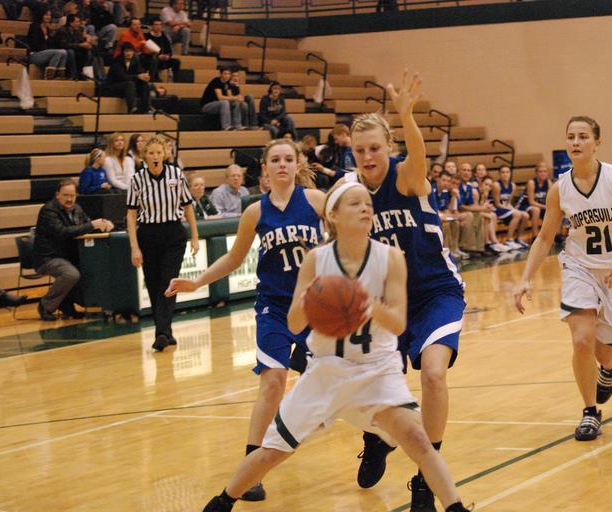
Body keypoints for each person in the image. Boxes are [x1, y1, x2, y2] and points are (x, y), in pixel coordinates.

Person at [199, 181, 471, 512]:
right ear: (334, 216)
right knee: (273, 452)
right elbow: (294, 324)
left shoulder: (390, 258)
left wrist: (365, 302)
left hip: (377, 370)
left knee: (418, 441)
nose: (366, 208)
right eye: (355, 203)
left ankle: (455, 507)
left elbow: (399, 324)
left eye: (368, 203)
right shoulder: (317, 259)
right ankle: (221, 502)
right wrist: (312, 298)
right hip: (327, 371)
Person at [166, 139, 324, 503]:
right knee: (273, 381)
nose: (282, 164)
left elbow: (351, 235)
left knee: (337, 381)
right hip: (273, 307)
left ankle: (374, 437)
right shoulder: (255, 211)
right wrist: (197, 282)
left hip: (315, 307)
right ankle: (251, 467)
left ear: (297, 164)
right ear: (264, 169)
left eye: (288, 159)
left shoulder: (317, 201)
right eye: (275, 160)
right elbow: (234, 259)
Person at [340, 72, 466, 511]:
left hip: (435, 292)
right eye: (360, 150)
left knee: (432, 374)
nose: (367, 156)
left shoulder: (407, 177)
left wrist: (407, 116)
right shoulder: (351, 192)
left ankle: (427, 476)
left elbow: (418, 155)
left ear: (388, 147)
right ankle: (378, 438)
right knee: (369, 387)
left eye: (375, 148)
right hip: (386, 302)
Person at [513, 116, 612, 441]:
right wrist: (525, 278)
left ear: (597, 143)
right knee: (581, 339)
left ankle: (609, 367)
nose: (576, 142)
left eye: (583, 136)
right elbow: (544, 237)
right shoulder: (559, 189)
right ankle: (590, 412)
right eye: (571, 137)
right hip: (579, 267)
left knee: (603, 353)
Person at [127, 137, 199, 351]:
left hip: (173, 233)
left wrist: (195, 236)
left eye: (159, 152)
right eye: (151, 153)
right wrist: (134, 247)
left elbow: (188, 207)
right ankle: (166, 331)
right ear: (144, 156)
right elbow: (131, 215)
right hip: (148, 234)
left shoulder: (176, 174)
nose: (155, 156)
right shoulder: (137, 179)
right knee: (153, 283)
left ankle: (161, 333)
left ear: (165, 155)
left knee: (168, 282)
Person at [34, 179, 114, 320]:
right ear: (57, 194)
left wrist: (103, 224)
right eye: (66, 195)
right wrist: (92, 225)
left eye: (72, 195)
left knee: (93, 268)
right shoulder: (48, 210)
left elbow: (87, 226)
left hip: (70, 257)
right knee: (71, 274)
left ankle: (67, 304)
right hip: (48, 257)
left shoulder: (77, 209)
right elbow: (63, 232)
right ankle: (45, 305)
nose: (69, 199)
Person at [103, 42, 152, 114]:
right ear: (123, 52)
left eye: (131, 51)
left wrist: (145, 77)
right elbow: (123, 77)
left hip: (127, 88)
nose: (129, 53)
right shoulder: (117, 62)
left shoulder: (135, 61)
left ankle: (146, 109)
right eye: (126, 51)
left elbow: (140, 72)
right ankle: (132, 109)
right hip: (112, 87)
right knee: (130, 84)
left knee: (144, 85)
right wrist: (138, 76)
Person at [491, 165, 530, 250]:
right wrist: (511, 210)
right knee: (517, 214)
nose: (505, 174)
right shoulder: (496, 185)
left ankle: (518, 238)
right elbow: (497, 204)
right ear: (499, 174)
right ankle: (509, 240)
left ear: (510, 173)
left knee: (525, 215)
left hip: (505, 208)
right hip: (496, 209)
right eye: (503, 172)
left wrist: (512, 209)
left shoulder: (513, 185)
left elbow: (508, 203)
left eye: (507, 172)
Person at [27, 7, 68, 79]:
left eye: (49, 15)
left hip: (45, 53)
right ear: (41, 15)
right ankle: (49, 77)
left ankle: (59, 76)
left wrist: (55, 33)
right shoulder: (34, 26)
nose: (48, 17)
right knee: (59, 52)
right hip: (34, 54)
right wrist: (48, 50)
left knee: (64, 52)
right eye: (46, 15)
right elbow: (34, 44)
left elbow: (51, 43)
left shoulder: (48, 28)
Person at [516, 161, 552, 240]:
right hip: (525, 204)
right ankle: (535, 236)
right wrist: (546, 207)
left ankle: (555, 236)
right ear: (536, 173)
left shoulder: (548, 182)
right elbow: (531, 202)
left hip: (539, 205)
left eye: (545, 171)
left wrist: (550, 207)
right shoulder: (531, 182)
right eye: (540, 172)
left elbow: (550, 199)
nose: (543, 174)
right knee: (536, 210)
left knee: (556, 210)